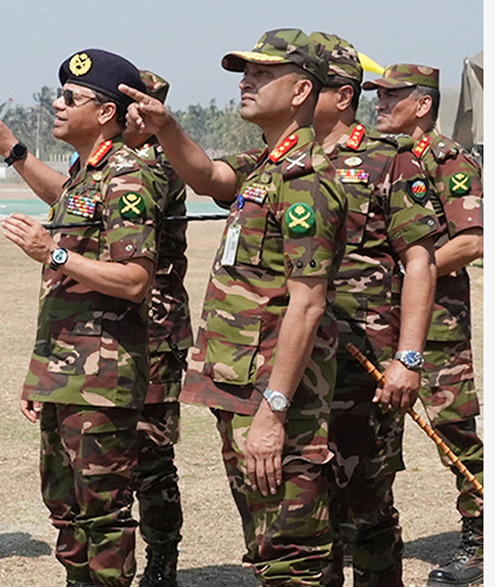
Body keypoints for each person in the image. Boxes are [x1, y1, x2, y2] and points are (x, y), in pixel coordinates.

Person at [121, 29, 348, 586]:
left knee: (293, 554)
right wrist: (166, 126)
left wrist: (274, 411)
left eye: (262, 73)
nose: (247, 82)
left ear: (300, 91)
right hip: (239, 385)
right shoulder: (266, 163)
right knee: (267, 545)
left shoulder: (305, 181)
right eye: (246, 72)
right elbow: (206, 177)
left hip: (275, 395)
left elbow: (307, 304)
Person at [0, 69, 190, 587]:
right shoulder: (90, 170)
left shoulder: (143, 170)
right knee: (68, 500)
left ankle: (161, 559)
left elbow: (132, 277)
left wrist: (52, 251)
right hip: (74, 356)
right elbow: (68, 207)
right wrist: (41, 373)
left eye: (71, 97)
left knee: (136, 472)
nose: (58, 103)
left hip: (131, 346)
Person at [309, 33, 440, 586]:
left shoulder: (389, 159)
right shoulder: (282, 160)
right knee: (308, 511)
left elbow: (420, 261)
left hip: (363, 362)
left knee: (366, 507)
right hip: (296, 362)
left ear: (340, 96)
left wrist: (408, 359)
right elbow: (210, 179)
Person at [363, 64, 484, 587]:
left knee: (453, 431)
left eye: (393, 96)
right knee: (376, 432)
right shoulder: (383, 158)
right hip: (383, 323)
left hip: (436, 326)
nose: (380, 103)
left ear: (423, 104)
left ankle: (484, 535)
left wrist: (406, 274)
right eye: (378, 95)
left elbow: (472, 241)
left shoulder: (447, 158)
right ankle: (370, 536)